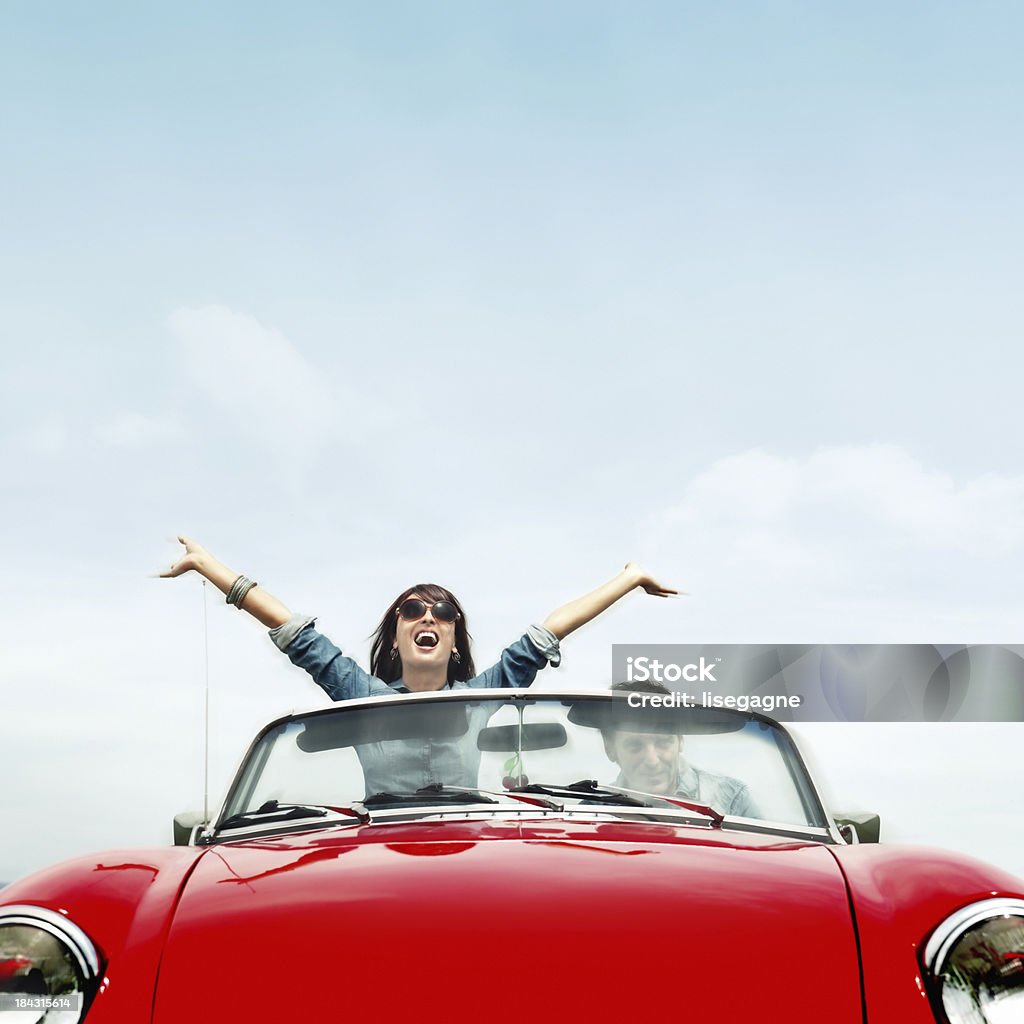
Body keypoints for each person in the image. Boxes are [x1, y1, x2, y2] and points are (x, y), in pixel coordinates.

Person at [161, 537, 676, 793]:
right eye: (412, 610)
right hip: (380, 845)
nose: (427, 617)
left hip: (466, 844)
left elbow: (549, 632)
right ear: (397, 634)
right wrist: (209, 567)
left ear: (453, 639)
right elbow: (298, 635)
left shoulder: (482, 694)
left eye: (443, 612)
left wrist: (628, 579)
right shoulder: (363, 695)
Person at [602, 681, 759, 817]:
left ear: (680, 740)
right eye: (635, 746)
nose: (652, 760)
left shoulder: (732, 801)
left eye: (663, 742)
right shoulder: (591, 810)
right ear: (610, 750)